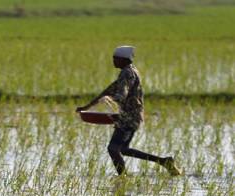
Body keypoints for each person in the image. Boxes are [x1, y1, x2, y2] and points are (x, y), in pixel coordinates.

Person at [76, 45, 182, 176]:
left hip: (130, 117)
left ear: (124, 59)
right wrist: (87, 107)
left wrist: (109, 99)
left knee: (113, 149)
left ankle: (123, 178)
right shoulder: (128, 71)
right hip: (128, 116)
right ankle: (164, 162)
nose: (113, 61)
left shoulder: (127, 73)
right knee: (123, 149)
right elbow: (109, 90)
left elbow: (121, 94)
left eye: (116, 58)